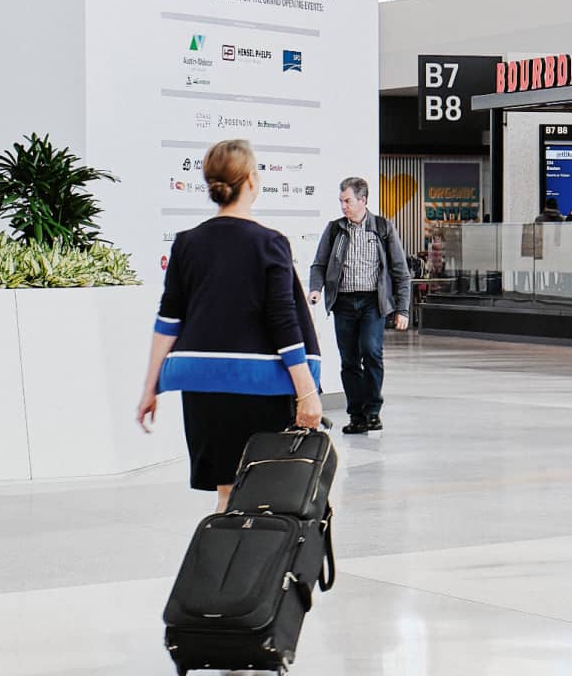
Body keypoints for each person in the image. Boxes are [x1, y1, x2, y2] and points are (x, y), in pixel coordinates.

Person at [138, 139, 323, 507]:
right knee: (263, 490)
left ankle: (223, 563)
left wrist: (150, 388)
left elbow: (168, 320)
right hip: (260, 387)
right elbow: (283, 322)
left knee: (227, 489)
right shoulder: (270, 243)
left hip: (203, 388)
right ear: (252, 180)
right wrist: (307, 392)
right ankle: (255, 564)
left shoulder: (187, 243)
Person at [308, 175, 411, 436]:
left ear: (363, 200)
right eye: (341, 201)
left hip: (371, 303)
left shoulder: (383, 228)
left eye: (348, 201)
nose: (344, 206)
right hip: (343, 303)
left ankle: (373, 412)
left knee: (371, 352)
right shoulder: (335, 229)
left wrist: (403, 309)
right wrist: (316, 289)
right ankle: (356, 415)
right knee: (349, 360)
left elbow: (400, 271)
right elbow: (319, 264)